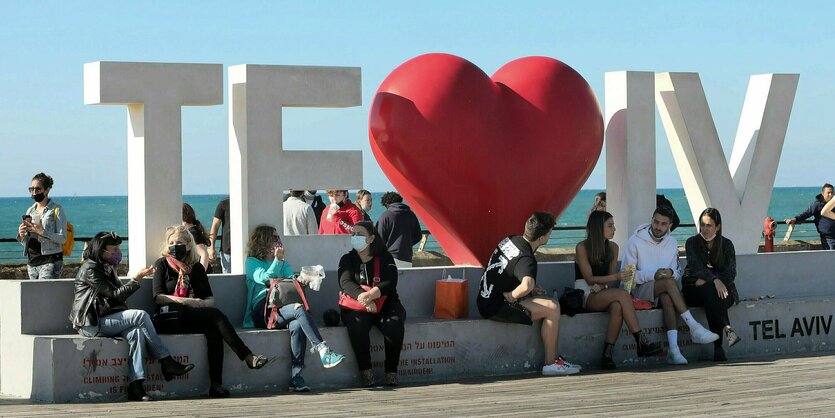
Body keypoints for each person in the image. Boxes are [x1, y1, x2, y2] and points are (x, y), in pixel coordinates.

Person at [69, 231, 194, 402]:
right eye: (114, 249)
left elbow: (120, 296)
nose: (117, 253)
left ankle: (136, 385)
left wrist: (135, 280)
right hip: (91, 323)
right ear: (101, 251)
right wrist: (137, 278)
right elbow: (116, 294)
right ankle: (166, 361)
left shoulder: (106, 267)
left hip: (107, 318)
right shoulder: (90, 269)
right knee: (140, 315)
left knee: (136, 333)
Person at [153, 225, 268, 398]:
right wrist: (188, 301)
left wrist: (199, 305)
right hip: (170, 317)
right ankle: (247, 357)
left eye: (179, 242)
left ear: (189, 245)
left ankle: (216, 385)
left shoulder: (197, 269)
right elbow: (158, 297)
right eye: (171, 242)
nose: (175, 246)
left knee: (214, 330)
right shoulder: (162, 264)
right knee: (215, 316)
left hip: (193, 316)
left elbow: (209, 299)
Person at [477, 212, 581, 376]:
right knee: (553, 307)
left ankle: (555, 359)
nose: (549, 236)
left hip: (484, 299)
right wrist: (511, 295)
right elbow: (527, 284)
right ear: (541, 238)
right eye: (549, 233)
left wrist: (527, 289)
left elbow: (507, 269)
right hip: (495, 307)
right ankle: (551, 363)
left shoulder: (511, 240)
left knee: (539, 299)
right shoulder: (527, 258)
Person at [244, 225, 345, 392]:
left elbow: (291, 281)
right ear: (263, 242)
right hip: (263, 310)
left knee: (297, 325)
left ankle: (296, 376)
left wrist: (303, 280)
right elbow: (264, 278)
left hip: (283, 308)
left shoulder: (284, 263)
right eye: (274, 238)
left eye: (278, 238)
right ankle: (323, 350)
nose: (278, 241)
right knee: (298, 308)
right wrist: (277, 260)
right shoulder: (252, 262)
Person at [622, 205, 719, 365]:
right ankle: (693, 326)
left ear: (670, 225)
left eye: (663, 224)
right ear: (651, 220)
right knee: (668, 283)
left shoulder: (672, 243)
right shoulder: (635, 242)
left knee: (667, 297)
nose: (658, 227)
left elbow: (677, 271)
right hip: (638, 289)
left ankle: (674, 351)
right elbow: (627, 278)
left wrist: (671, 273)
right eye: (656, 222)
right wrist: (653, 274)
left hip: (663, 289)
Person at [575, 211, 662, 369]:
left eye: (613, 225)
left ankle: (607, 355)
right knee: (622, 295)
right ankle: (641, 341)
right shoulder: (582, 247)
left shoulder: (613, 247)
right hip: (586, 294)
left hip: (603, 291)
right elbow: (589, 279)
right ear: (597, 228)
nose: (614, 229)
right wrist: (616, 277)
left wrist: (607, 282)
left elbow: (608, 278)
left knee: (617, 306)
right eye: (610, 225)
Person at [338, 221, 406, 386]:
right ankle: (366, 371)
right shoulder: (347, 259)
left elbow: (391, 281)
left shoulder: (385, 257)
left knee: (394, 324)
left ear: (371, 238)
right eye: (353, 234)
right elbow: (345, 282)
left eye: (359, 234)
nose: (355, 237)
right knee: (357, 324)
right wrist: (364, 298)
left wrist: (372, 295)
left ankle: (391, 371)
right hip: (356, 305)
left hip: (386, 302)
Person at [682, 208, 742, 362]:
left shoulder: (726, 244)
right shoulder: (692, 243)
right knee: (712, 291)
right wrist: (715, 281)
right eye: (702, 225)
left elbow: (731, 273)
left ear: (718, 226)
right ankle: (727, 330)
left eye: (709, 225)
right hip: (694, 290)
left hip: (724, 292)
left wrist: (714, 281)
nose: (705, 229)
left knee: (713, 295)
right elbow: (696, 267)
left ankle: (718, 347)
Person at [18, 172, 66, 279]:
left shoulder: (56, 209)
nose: (34, 192)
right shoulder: (30, 210)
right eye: (32, 189)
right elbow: (27, 239)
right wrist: (22, 235)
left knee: (44, 294)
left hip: (50, 260)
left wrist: (42, 232)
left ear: (47, 190)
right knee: (35, 295)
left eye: (38, 189)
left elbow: (62, 238)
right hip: (32, 261)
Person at [376, 191, 422, 268]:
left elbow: (379, 239)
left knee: (391, 279)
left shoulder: (385, 216)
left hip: (390, 257)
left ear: (387, 204)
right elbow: (418, 236)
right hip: (407, 257)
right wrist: (406, 244)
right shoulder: (411, 214)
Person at [785, 183, 835, 250]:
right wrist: (795, 219)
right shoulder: (817, 204)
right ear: (823, 193)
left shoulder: (833, 204)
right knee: (831, 258)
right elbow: (806, 213)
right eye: (828, 193)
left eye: (832, 193)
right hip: (828, 238)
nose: (831, 195)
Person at [182, 203, 212, 273]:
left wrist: (201, 274)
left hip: (200, 272)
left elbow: (204, 254)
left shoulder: (192, 233)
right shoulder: (194, 230)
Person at [208, 197, 231, 273]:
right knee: (227, 279)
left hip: (246, 250)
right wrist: (211, 248)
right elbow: (215, 226)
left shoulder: (246, 201)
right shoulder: (224, 203)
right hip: (227, 250)